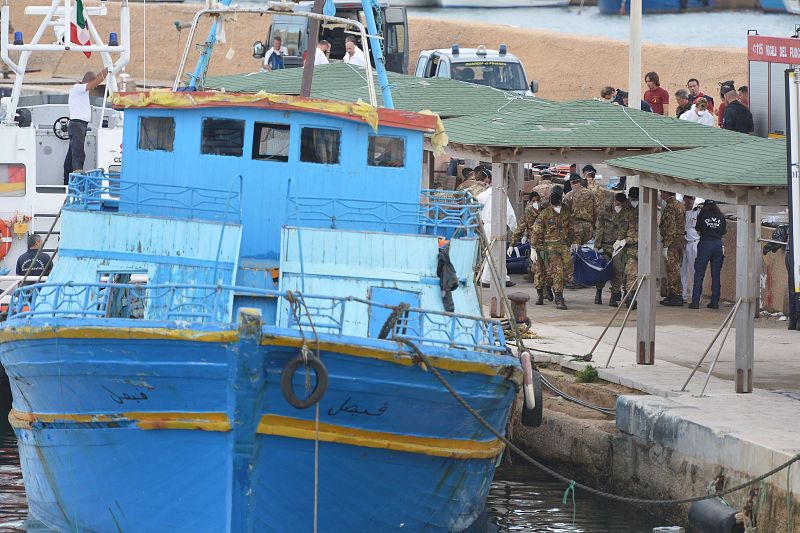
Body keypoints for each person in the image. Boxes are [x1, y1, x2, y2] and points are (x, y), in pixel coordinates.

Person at [532, 191, 575, 310]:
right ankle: (559, 298)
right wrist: (533, 248)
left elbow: (571, 228)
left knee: (568, 272)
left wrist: (574, 241)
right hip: (551, 247)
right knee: (557, 271)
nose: (556, 206)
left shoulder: (566, 212)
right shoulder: (545, 214)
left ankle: (548, 284)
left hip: (564, 246)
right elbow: (536, 230)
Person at [63, 68, 108, 185]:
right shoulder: (78, 88)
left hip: (78, 125)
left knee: (71, 155)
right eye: (92, 85)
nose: (93, 88)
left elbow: (94, 82)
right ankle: (77, 183)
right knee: (78, 154)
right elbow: (96, 82)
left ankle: (67, 183)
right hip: (77, 125)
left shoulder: (79, 90)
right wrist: (108, 69)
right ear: (88, 81)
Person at [477, 173, 517, 288]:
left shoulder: (482, 195)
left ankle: (504, 277)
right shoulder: (502, 195)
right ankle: (485, 278)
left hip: (487, 226)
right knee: (493, 252)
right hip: (497, 226)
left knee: (498, 252)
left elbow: (476, 209)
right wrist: (515, 228)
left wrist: (481, 221)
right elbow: (510, 215)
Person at [509, 192, 548, 300]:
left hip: (547, 244)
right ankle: (541, 293)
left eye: (538, 200)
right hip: (535, 244)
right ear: (530, 202)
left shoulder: (545, 211)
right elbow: (520, 228)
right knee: (538, 269)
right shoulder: (528, 213)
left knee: (548, 268)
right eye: (534, 201)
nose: (536, 203)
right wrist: (512, 244)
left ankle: (547, 289)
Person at [689, 200, 726, 310]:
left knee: (699, 273)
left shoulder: (703, 214)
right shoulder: (720, 216)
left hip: (705, 243)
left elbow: (697, 228)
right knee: (716, 275)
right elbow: (723, 231)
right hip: (717, 245)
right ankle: (714, 302)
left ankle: (695, 302)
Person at [594, 192, 629, 306]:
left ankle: (613, 297)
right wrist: (597, 245)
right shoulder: (605, 211)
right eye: (617, 204)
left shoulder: (627, 212)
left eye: (621, 205)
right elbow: (599, 229)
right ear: (614, 201)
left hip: (618, 247)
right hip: (605, 245)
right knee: (602, 271)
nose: (619, 206)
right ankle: (598, 293)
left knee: (618, 271)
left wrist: (624, 241)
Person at [659, 190, 686, 306]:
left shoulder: (671, 206)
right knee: (674, 267)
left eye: (662, 192)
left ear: (666, 193)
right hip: (679, 240)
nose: (660, 194)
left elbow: (670, 227)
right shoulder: (680, 205)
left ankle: (676, 295)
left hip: (673, 241)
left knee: (672, 269)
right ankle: (672, 294)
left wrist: (666, 245)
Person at [563, 174, 596, 245]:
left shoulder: (568, 195)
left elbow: (565, 214)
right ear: (580, 181)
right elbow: (595, 211)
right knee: (587, 249)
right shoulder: (590, 193)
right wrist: (594, 226)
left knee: (575, 249)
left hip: (574, 227)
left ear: (571, 183)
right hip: (588, 226)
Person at [620, 187, 640, 308]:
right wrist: (619, 240)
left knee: (632, 273)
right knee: (626, 272)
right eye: (632, 199)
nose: (633, 201)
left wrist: (625, 240)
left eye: (635, 199)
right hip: (627, 248)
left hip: (640, 247)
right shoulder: (625, 209)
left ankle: (631, 298)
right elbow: (622, 227)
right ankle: (627, 295)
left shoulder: (646, 209)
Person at [680, 195, 701, 304]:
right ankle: (682, 295)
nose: (690, 201)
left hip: (694, 243)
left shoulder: (698, 211)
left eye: (691, 198)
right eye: (688, 198)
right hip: (682, 243)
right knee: (682, 270)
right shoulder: (680, 210)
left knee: (694, 270)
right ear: (684, 199)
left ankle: (695, 296)